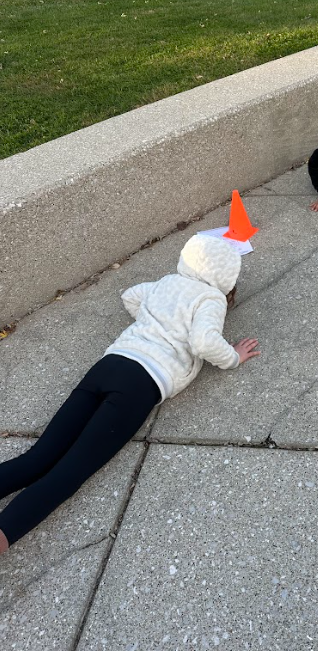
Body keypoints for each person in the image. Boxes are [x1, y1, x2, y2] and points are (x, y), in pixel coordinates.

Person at [0, 235, 260, 554]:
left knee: (37, 458)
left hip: (109, 365)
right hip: (140, 384)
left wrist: (155, 319)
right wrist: (233, 356)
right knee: (68, 472)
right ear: (226, 278)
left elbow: (131, 296)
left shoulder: (167, 282)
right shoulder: (211, 299)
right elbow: (204, 342)